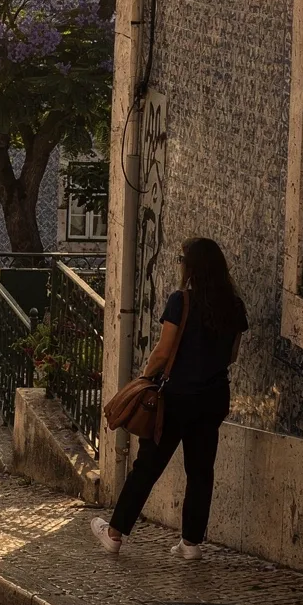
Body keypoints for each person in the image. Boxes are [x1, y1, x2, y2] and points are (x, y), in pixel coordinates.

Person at [93, 237, 249, 559]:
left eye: (182, 259)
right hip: (214, 397)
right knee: (201, 470)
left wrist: (144, 378)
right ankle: (191, 544)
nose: (180, 264)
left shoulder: (181, 301)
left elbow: (164, 352)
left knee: (147, 467)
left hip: (176, 399)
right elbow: (232, 355)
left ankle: (114, 533)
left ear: (191, 267)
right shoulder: (234, 306)